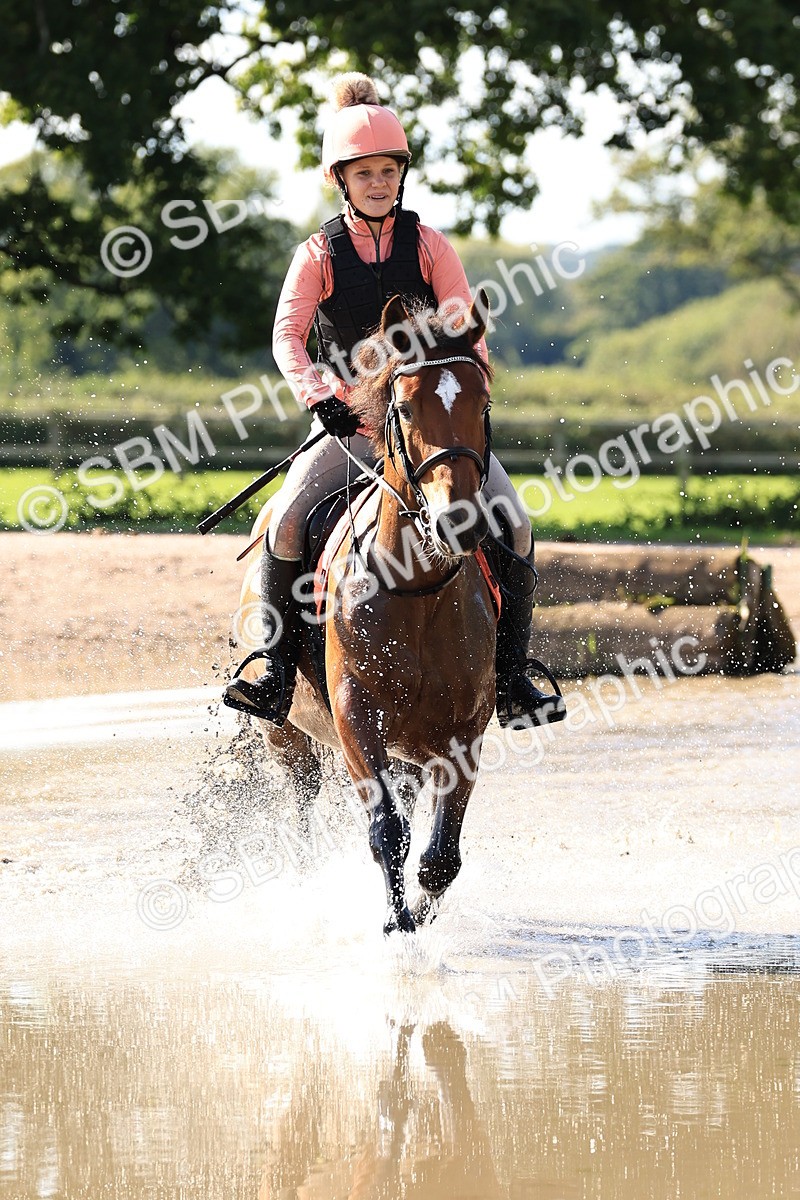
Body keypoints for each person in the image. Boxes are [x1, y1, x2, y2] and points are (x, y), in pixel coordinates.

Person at [224, 72, 565, 729]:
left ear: (401, 175)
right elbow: (287, 337)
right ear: (341, 179)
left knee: (516, 524)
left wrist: (468, 396)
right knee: (287, 521)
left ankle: (512, 680)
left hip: (429, 430)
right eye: (365, 173)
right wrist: (321, 398)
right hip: (350, 428)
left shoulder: (430, 245)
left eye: (388, 171)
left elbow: (467, 332)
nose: (378, 183)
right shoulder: (317, 254)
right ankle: (272, 670)